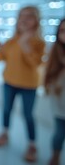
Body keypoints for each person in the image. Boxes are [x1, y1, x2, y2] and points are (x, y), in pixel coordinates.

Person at [0, 6, 45, 162]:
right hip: (9, 81)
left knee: (28, 115)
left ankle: (32, 144)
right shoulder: (12, 40)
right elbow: (1, 58)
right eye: (22, 16)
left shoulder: (39, 43)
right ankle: (4, 133)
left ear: (36, 20)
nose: (24, 19)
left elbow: (36, 64)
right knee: (6, 109)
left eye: (29, 16)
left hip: (29, 85)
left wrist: (25, 44)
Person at [43, 18, 65, 165]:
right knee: (59, 134)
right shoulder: (55, 51)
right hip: (59, 103)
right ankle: (55, 156)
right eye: (63, 31)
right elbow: (48, 78)